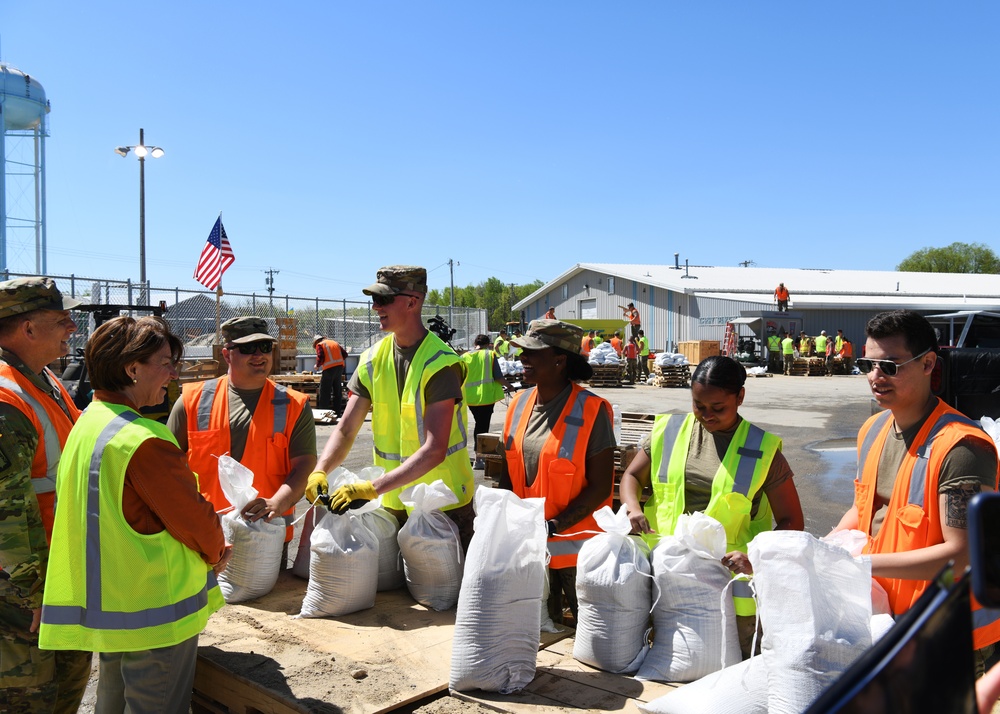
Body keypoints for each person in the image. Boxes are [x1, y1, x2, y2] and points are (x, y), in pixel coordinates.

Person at [39, 316, 230, 713]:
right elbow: (193, 520)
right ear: (132, 368)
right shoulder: (142, 440)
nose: (172, 374)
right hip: (156, 612)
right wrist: (216, 553)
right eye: (165, 362)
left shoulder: (87, 423)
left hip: (115, 606)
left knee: (111, 702)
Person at [831, 310, 1000, 674]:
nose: (876, 377)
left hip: (950, 638)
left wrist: (856, 564)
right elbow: (864, 510)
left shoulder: (961, 448)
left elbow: (959, 557)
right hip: (892, 622)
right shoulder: (873, 430)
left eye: (890, 366)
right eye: (868, 364)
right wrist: (820, 549)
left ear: (927, 365)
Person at [620, 355, 804, 658]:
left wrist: (754, 554)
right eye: (698, 405)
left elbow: (791, 520)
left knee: (734, 668)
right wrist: (632, 508)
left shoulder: (762, 450)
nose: (706, 416)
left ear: (740, 397)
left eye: (718, 408)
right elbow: (631, 476)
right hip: (667, 574)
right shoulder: (670, 431)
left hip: (728, 585)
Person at [305, 266, 477, 551]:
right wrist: (320, 470)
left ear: (413, 301)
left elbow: (435, 449)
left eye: (384, 300)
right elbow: (347, 428)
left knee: (443, 595)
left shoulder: (440, 363)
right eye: (375, 300)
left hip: (441, 505)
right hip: (393, 503)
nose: (376, 307)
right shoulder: (373, 358)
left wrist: (371, 488)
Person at [0, 277, 91, 712]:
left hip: (59, 571)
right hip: (21, 589)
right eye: (61, 319)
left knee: (65, 687)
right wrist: (33, 593)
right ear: (28, 330)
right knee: (31, 698)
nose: (72, 327)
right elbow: (7, 516)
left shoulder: (42, 379)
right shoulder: (5, 399)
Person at [497, 319, 615, 624]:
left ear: (560, 361)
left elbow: (601, 486)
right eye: (522, 351)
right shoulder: (518, 404)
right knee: (538, 632)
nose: (522, 358)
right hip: (531, 547)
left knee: (590, 637)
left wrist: (555, 525)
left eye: (532, 352)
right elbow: (509, 470)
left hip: (577, 551)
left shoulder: (592, 409)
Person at [168, 316, 316, 547]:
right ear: (227, 355)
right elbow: (167, 467)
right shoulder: (191, 401)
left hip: (266, 535)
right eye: (247, 348)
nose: (259, 355)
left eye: (265, 347)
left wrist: (277, 502)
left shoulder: (294, 405)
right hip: (205, 535)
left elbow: (304, 464)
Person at [462, 333, 505, 469]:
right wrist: (509, 386)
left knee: (479, 425)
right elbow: (498, 376)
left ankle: (478, 457)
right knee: (482, 427)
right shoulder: (489, 355)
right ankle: (479, 458)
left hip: (470, 398)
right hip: (485, 398)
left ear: (476, 344)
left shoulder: (465, 356)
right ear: (488, 344)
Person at [313, 333, 346, 416]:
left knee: (324, 391)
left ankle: (323, 413)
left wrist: (317, 365)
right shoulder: (334, 343)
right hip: (339, 368)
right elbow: (345, 354)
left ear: (316, 341)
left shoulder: (320, 345)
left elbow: (320, 356)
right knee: (337, 391)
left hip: (329, 369)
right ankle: (337, 413)